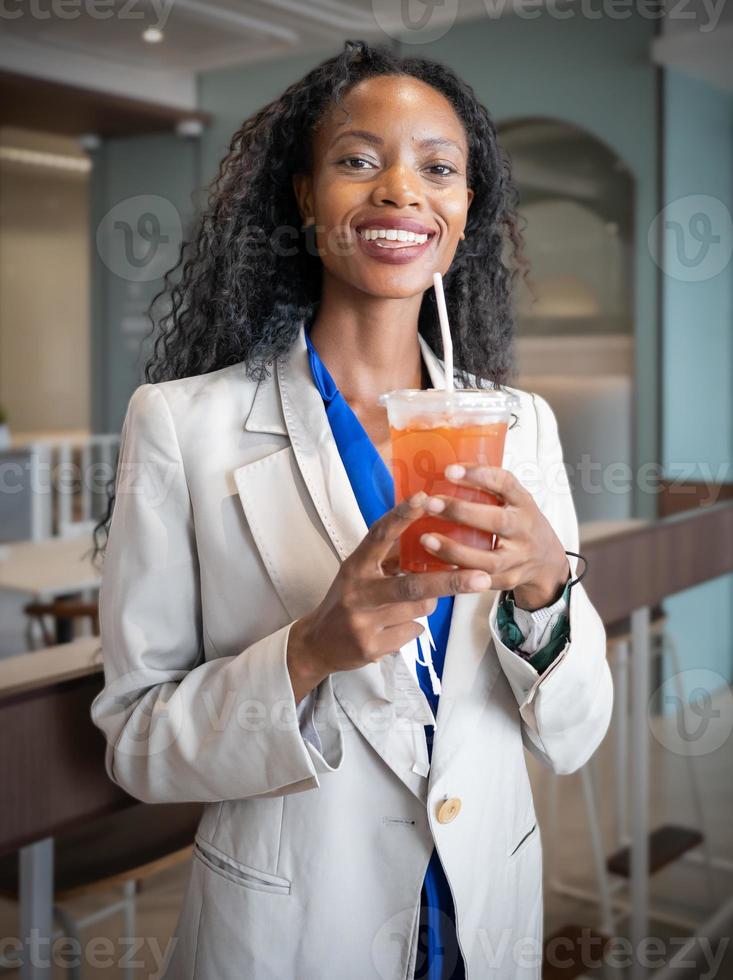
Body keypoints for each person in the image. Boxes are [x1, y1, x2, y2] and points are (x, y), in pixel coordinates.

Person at [91, 39, 613, 980]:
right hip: (291, 933)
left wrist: (543, 590)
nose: (401, 190)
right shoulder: (181, 426)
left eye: (438, 169)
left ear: (463, 210)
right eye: (358, 160)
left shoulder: (517, 426)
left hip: (481, 914)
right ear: (303, 196)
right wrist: (308, 652)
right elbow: (138, 743)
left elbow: (574, 735)